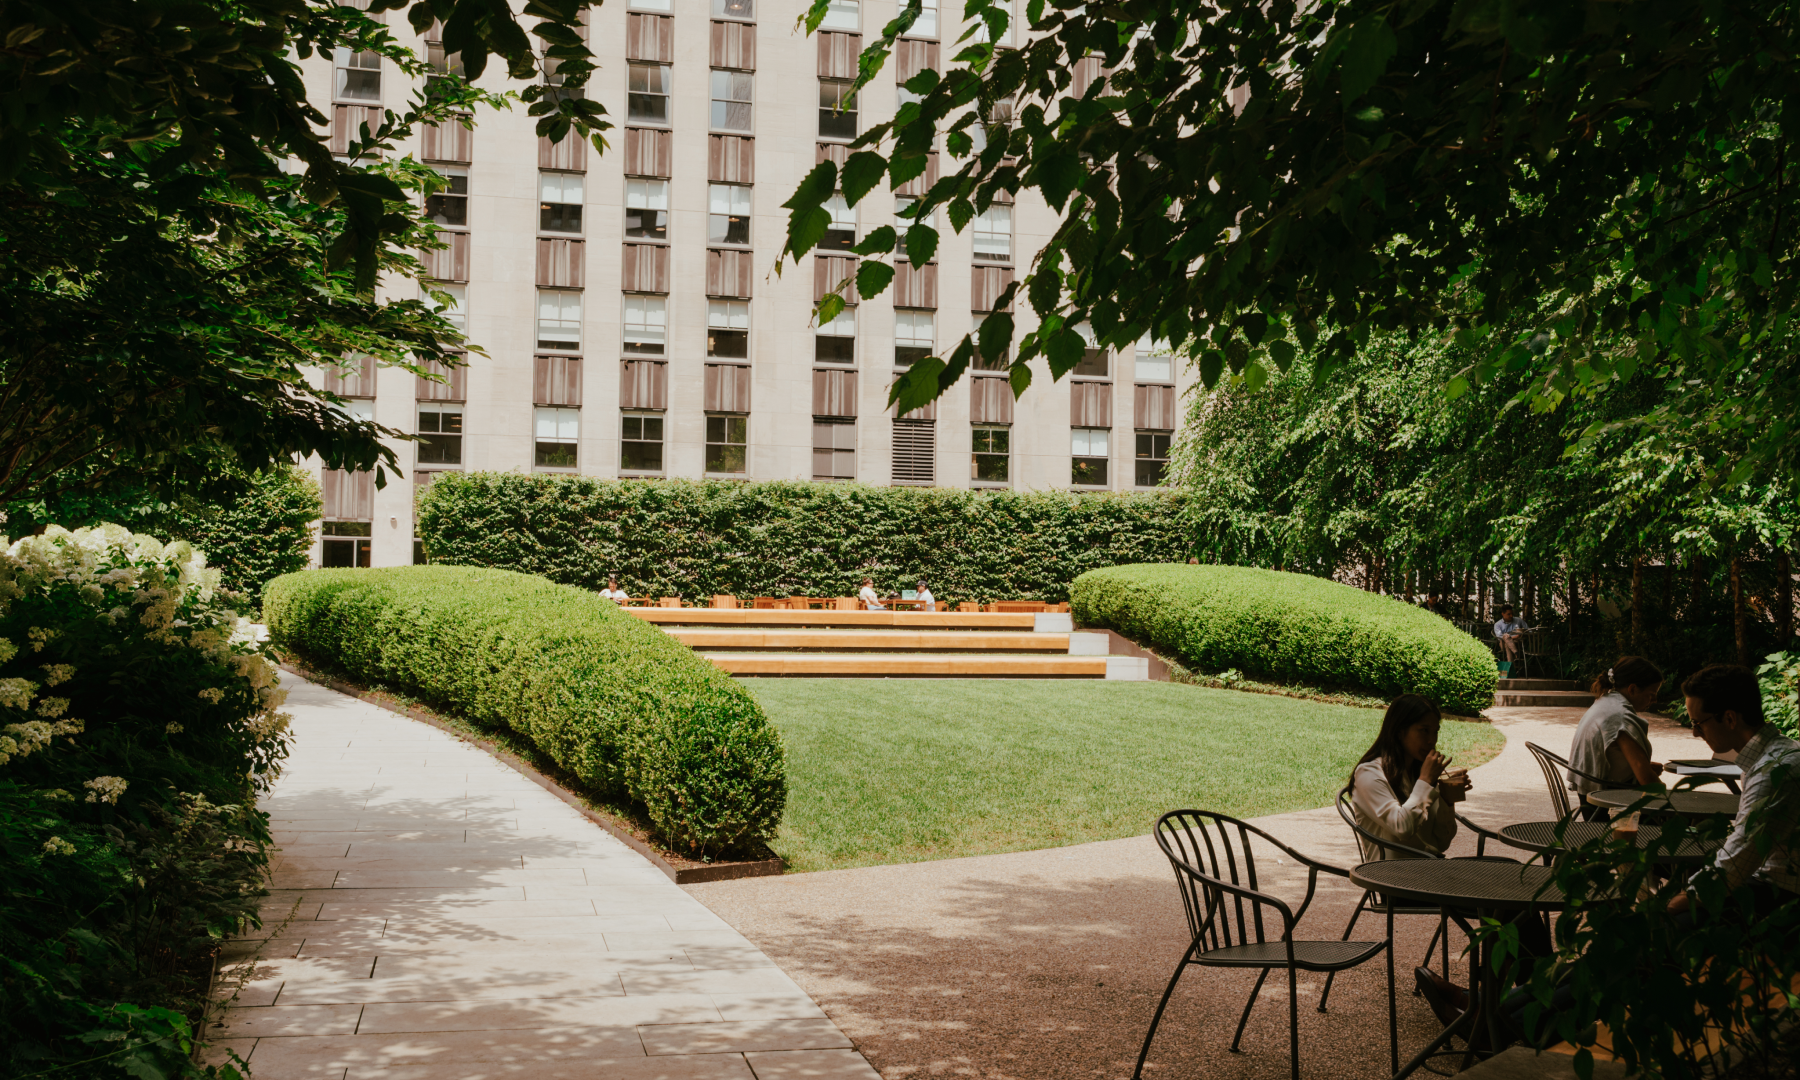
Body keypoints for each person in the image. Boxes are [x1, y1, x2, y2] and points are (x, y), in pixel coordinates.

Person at [1667, 664, 1800, 918]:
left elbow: (1734, 867)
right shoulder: (1774, 754)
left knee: (1678, 920)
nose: (1695, 732)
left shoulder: (1773, 773)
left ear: (1730, 718)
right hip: (1770, 884)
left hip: (1783, 898)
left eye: (1698, 723)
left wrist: (1674, 904)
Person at [1566, 656, 1665, 819]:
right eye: (1651, 694)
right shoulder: (1621, 717)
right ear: (1632, 689)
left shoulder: (1604, 703)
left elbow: (1613, 755)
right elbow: (1647, 781)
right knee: (1691, 820)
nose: (1654, 700)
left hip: (1590, 804)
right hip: (1611, 811)